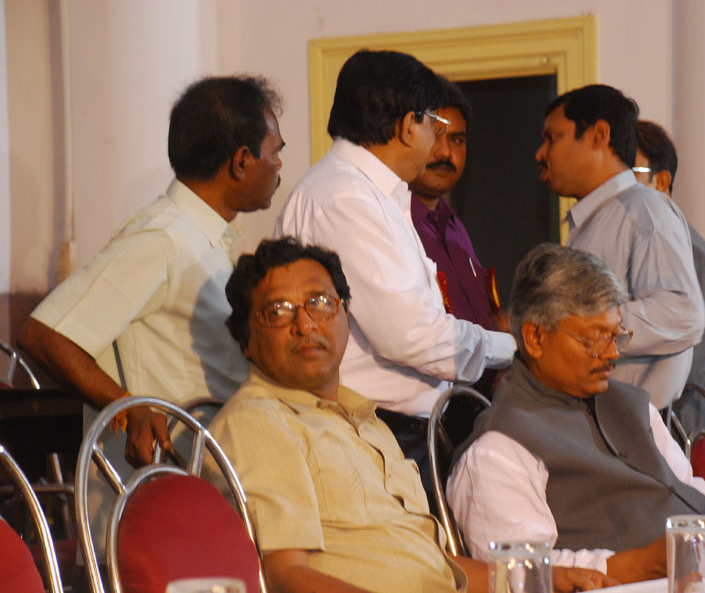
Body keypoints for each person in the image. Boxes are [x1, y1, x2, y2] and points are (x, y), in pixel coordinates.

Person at [209, 236, 612, 593]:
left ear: (346, 317)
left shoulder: (365, 420)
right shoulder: (260, 421)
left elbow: (439, 568)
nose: (304, 324)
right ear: (246, 341)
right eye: (278, 311)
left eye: (320, 303)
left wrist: (537, 579)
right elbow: (286, 578)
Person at [18, 75, 284, 561]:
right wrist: (129, 406)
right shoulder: (162, 239)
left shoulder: (207, 238)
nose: (280, 164)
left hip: (207, 485)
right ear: (242, 161)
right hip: (158, 503)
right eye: (275, 152)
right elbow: (44, 334)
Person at [448, 244, 705, 584]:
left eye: (616, 335)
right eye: (595, 339)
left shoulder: (632, 405)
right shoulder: (497, 451)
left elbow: (687, 489)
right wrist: (638, 564)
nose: (612, 353)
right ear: (535, 337)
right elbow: (524, 575)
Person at [275, 50, 515, 477]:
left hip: (390, 427)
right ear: (408, 126)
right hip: (374, 429)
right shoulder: (346, 198)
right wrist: (513, 349)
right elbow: (411, 335)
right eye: (433, 124)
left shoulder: (370, 192)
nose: (435, 140)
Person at [535, 84, 704, 408]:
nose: (540, 153)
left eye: (552, 138)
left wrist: (585, 325)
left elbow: (684, 312)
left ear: (599, 135)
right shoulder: (596, 218)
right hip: (597, 421)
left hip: (631, 424)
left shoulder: (643, 212)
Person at [633, 119, 705, 431]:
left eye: (629, 172)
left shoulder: (688, 252)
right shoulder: (649, 244)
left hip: (690, 430)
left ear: (661, 181)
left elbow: (685, 364)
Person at [409, 76, 502, 333]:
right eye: (435, 136)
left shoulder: (455, 227)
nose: (445, 153)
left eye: (457, 140)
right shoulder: (393, 224)